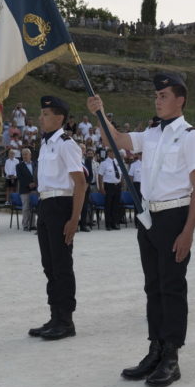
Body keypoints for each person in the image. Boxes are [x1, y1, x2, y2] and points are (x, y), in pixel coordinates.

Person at [87, 72, 195, 387]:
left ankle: (171, 355)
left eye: (164, 95)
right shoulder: (152, 134)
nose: (158, 100)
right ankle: (155, 349)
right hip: (149, 217)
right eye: (156, 96)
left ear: (180, 100)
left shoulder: (191, 136)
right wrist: (99, 113)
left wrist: (188, 232)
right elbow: (117, 140)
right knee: (153, 287)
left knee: (172, 286)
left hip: (174, 217)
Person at [28, 96, 87, 340]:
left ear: (59, 117)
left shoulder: (66, 144)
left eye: (45, 114)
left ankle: (66, 320)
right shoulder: (46, 144)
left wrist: (74, 219)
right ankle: (54, 315)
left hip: (61, 204)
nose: (40, 118)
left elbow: (81, 184)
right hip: (45, 204)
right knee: (49, 264)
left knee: (62, 265)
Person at [97, 150, 124, 230]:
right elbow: (100, 175)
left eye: (114, 152)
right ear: (108, 153)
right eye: (112, 152)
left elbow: (121, 173)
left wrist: (121, 182)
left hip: (117, 186)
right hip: (109, 186)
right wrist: (101, 188)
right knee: (108, 205)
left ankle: (115, 223)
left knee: (116, 205)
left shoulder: (118, 162)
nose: (113, 153)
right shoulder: (104, 163)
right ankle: (108, 224)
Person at [17, 148, 37, 230]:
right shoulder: (19, 166)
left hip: (35, 189)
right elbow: (20, 178)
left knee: (34, 207)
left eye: (26, 154)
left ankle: (32, 225)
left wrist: (35, 183)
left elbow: (38, 174)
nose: (24, 156)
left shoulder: (36, 164)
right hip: (24, 189)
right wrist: (29, 184)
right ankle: (25, 225)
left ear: (30, 155)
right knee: (26, 208)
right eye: (23, 154)